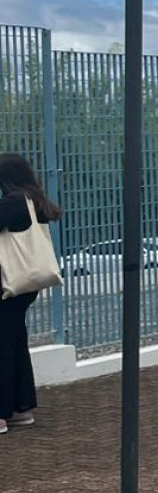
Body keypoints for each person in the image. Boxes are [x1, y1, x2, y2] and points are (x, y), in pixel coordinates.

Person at [0, 154, 60, 434]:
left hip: (7, 286)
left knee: (4, 347)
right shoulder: (34, 200)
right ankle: (20, 409)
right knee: (14, 343)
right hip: (25, 286)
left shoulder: (13, 203)